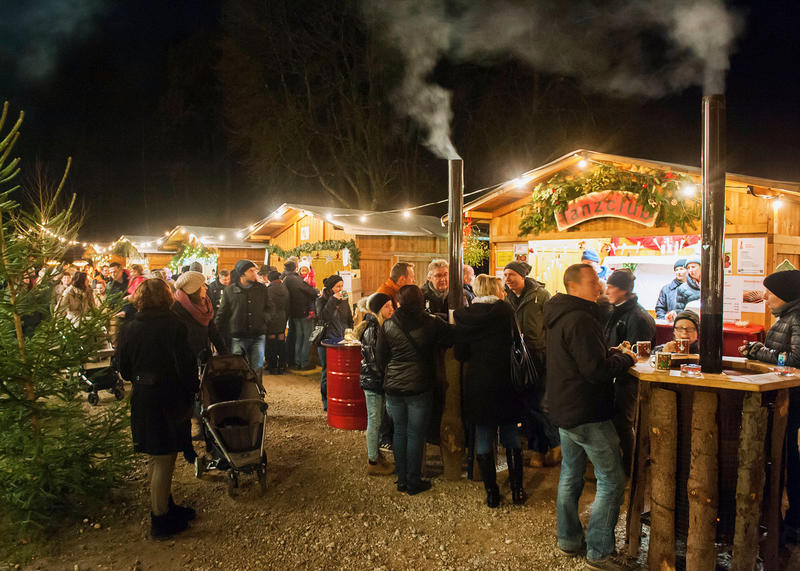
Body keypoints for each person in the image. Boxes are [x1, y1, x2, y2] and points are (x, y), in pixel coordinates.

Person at [544, 264, 637, 570]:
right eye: (594, 280)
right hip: (587, 412)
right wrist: (626, 358)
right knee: (612, 480)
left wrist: (608, 352)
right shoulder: (582, 317)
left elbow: (579, 358)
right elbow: (594, 371)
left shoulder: (560, 312)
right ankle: (599, 551)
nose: (600, 285)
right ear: (574, 286)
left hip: (564, 408)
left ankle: (569, 540)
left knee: (570, 476)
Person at [114, 279, 199, 540]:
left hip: (143, 395)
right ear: (166, 297)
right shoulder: (174, 325)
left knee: (158, 453)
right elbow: (185, 364)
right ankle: (160, 519)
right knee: (163, 456)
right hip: (168, 396)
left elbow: (124, 368)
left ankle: (166, 506)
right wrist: (192, 389)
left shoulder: (128, 328)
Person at [739, 270, 800, 542]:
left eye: (770, 292)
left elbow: (796, 359)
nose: (766, 297)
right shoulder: (788, 317)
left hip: (792, 401)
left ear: (785, 295)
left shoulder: (797, 317)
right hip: (784, 398)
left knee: (788, 462)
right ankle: (779, 523)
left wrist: (759, 351)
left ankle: (791, 526)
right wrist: (759, 350)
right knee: (783, 460)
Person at [377, 285, 455, 495]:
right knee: (415, 434)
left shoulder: (388, 324)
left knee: (399, 432)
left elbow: (381, 358)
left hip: (393, 388)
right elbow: (452, 337)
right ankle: (413, 481)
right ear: (421, 301)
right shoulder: (431, 323)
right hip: (420, 386)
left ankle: (401, 479)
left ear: (400, 302)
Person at [455, 275, 525, 508]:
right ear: (495, 289)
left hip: (478, 382)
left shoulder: (463, 316)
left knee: (484, 435)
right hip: (505, 379)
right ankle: (517, 490)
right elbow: (517, 343)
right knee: (510, 434)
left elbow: (460, 353)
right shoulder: (505, 311)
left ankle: (492, 493)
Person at [502, 260, 558, 467]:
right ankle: (539, 450)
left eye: (511, 275)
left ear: (522, 276)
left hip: (539, 357)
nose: (507, 279)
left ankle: (551, 444)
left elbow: (552, 328)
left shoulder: (541, 296)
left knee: (540, 405)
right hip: (519, 360)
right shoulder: (506, 298)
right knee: (528, 406)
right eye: (505, 275)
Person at [603, 268, 656, 477]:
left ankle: (630, 469)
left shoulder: (638, 317)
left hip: (628, 380)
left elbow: (639, 354)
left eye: (610, 287)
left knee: (624, 423)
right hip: (616, 375)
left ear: (623, 290)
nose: (607, 291)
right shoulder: (616, 311)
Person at [356, 292, 395, 476]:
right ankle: (372, 461)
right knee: (374, 420)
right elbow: (374, 361)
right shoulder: (373, 329)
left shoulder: (381, 326)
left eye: (391, 305)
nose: (391, 309)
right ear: (379, 309)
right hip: (373, 381)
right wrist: (385, 377)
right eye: (387, 306)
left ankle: (377, 456)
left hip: (377, 380)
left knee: (378, 419)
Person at [215, 260, 271, 383]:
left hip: (258, 335)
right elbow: (222, 313)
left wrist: (264, 320)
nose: (254, 273)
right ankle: (240, 397)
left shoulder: (261, 289)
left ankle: (257, 396)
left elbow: (269, 307)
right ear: (242, 273)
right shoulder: (230, 291)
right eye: (251, 271)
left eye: (255, 271)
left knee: (257, 368)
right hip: (238, 336)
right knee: (238, 368)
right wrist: (215, 335)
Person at [315, 275, 354, 410]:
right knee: (327, 371)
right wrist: (332, 300)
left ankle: (339, 398)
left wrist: (350, 331)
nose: (340, 289)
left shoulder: (344, 299)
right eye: (338, 286)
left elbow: (349, 318)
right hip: (325, 341)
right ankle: (326, 400)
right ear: (330, 288)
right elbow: (322, 317)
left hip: (342, 340)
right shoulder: (321, 300)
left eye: (342, 286)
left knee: (341, 371)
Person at [171, 271, 227, 363]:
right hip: (184, 360)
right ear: (193, 289)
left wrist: (224, 353)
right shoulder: (176, 309)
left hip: (204, 355)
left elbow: (213, 331)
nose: (206, 287)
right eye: (202, 285)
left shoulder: (205, 305)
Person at [283, 260, 319, 370]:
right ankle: (304, 363)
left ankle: (297, 361)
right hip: (304, 312)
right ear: (296, 268)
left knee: (299, 337)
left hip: (293, 313)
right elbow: (313, 292)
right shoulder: (298, 280)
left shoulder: (285, 279)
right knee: (307, 338)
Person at [265, 270, 289, 374]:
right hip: (282, 316)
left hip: (271, 317)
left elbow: (265, 305)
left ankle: (273, 365)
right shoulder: (285, 288)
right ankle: (283, 364)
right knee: (281, 339)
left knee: (271, 342)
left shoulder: (269, 289)